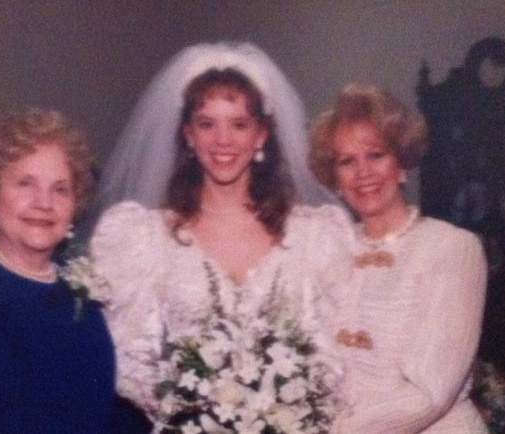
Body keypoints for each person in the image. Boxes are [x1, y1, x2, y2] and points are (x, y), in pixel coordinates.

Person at [89, 42, 348, 433]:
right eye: (207, 124)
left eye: (239, 124)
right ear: (188, 135)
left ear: (261, 135)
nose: (222, 140)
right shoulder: (147, 237)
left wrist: (286, 413)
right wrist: (194, 410)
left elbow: (338, 351)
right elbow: (130, 359)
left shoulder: (313, 235)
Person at [0, 108, 150, 433]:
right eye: (25, 184)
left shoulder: (78, 282)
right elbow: (2, 421)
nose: (44, 202)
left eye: (60, 189)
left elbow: (107, 407)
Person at [309, 84, 489, 433]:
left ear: (402, 163)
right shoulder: (328, 251)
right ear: (335, 180)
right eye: (347, 161)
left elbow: (431, 392)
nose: (363, 172)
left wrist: (335, 430)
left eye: (376, 155)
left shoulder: (452, 248)